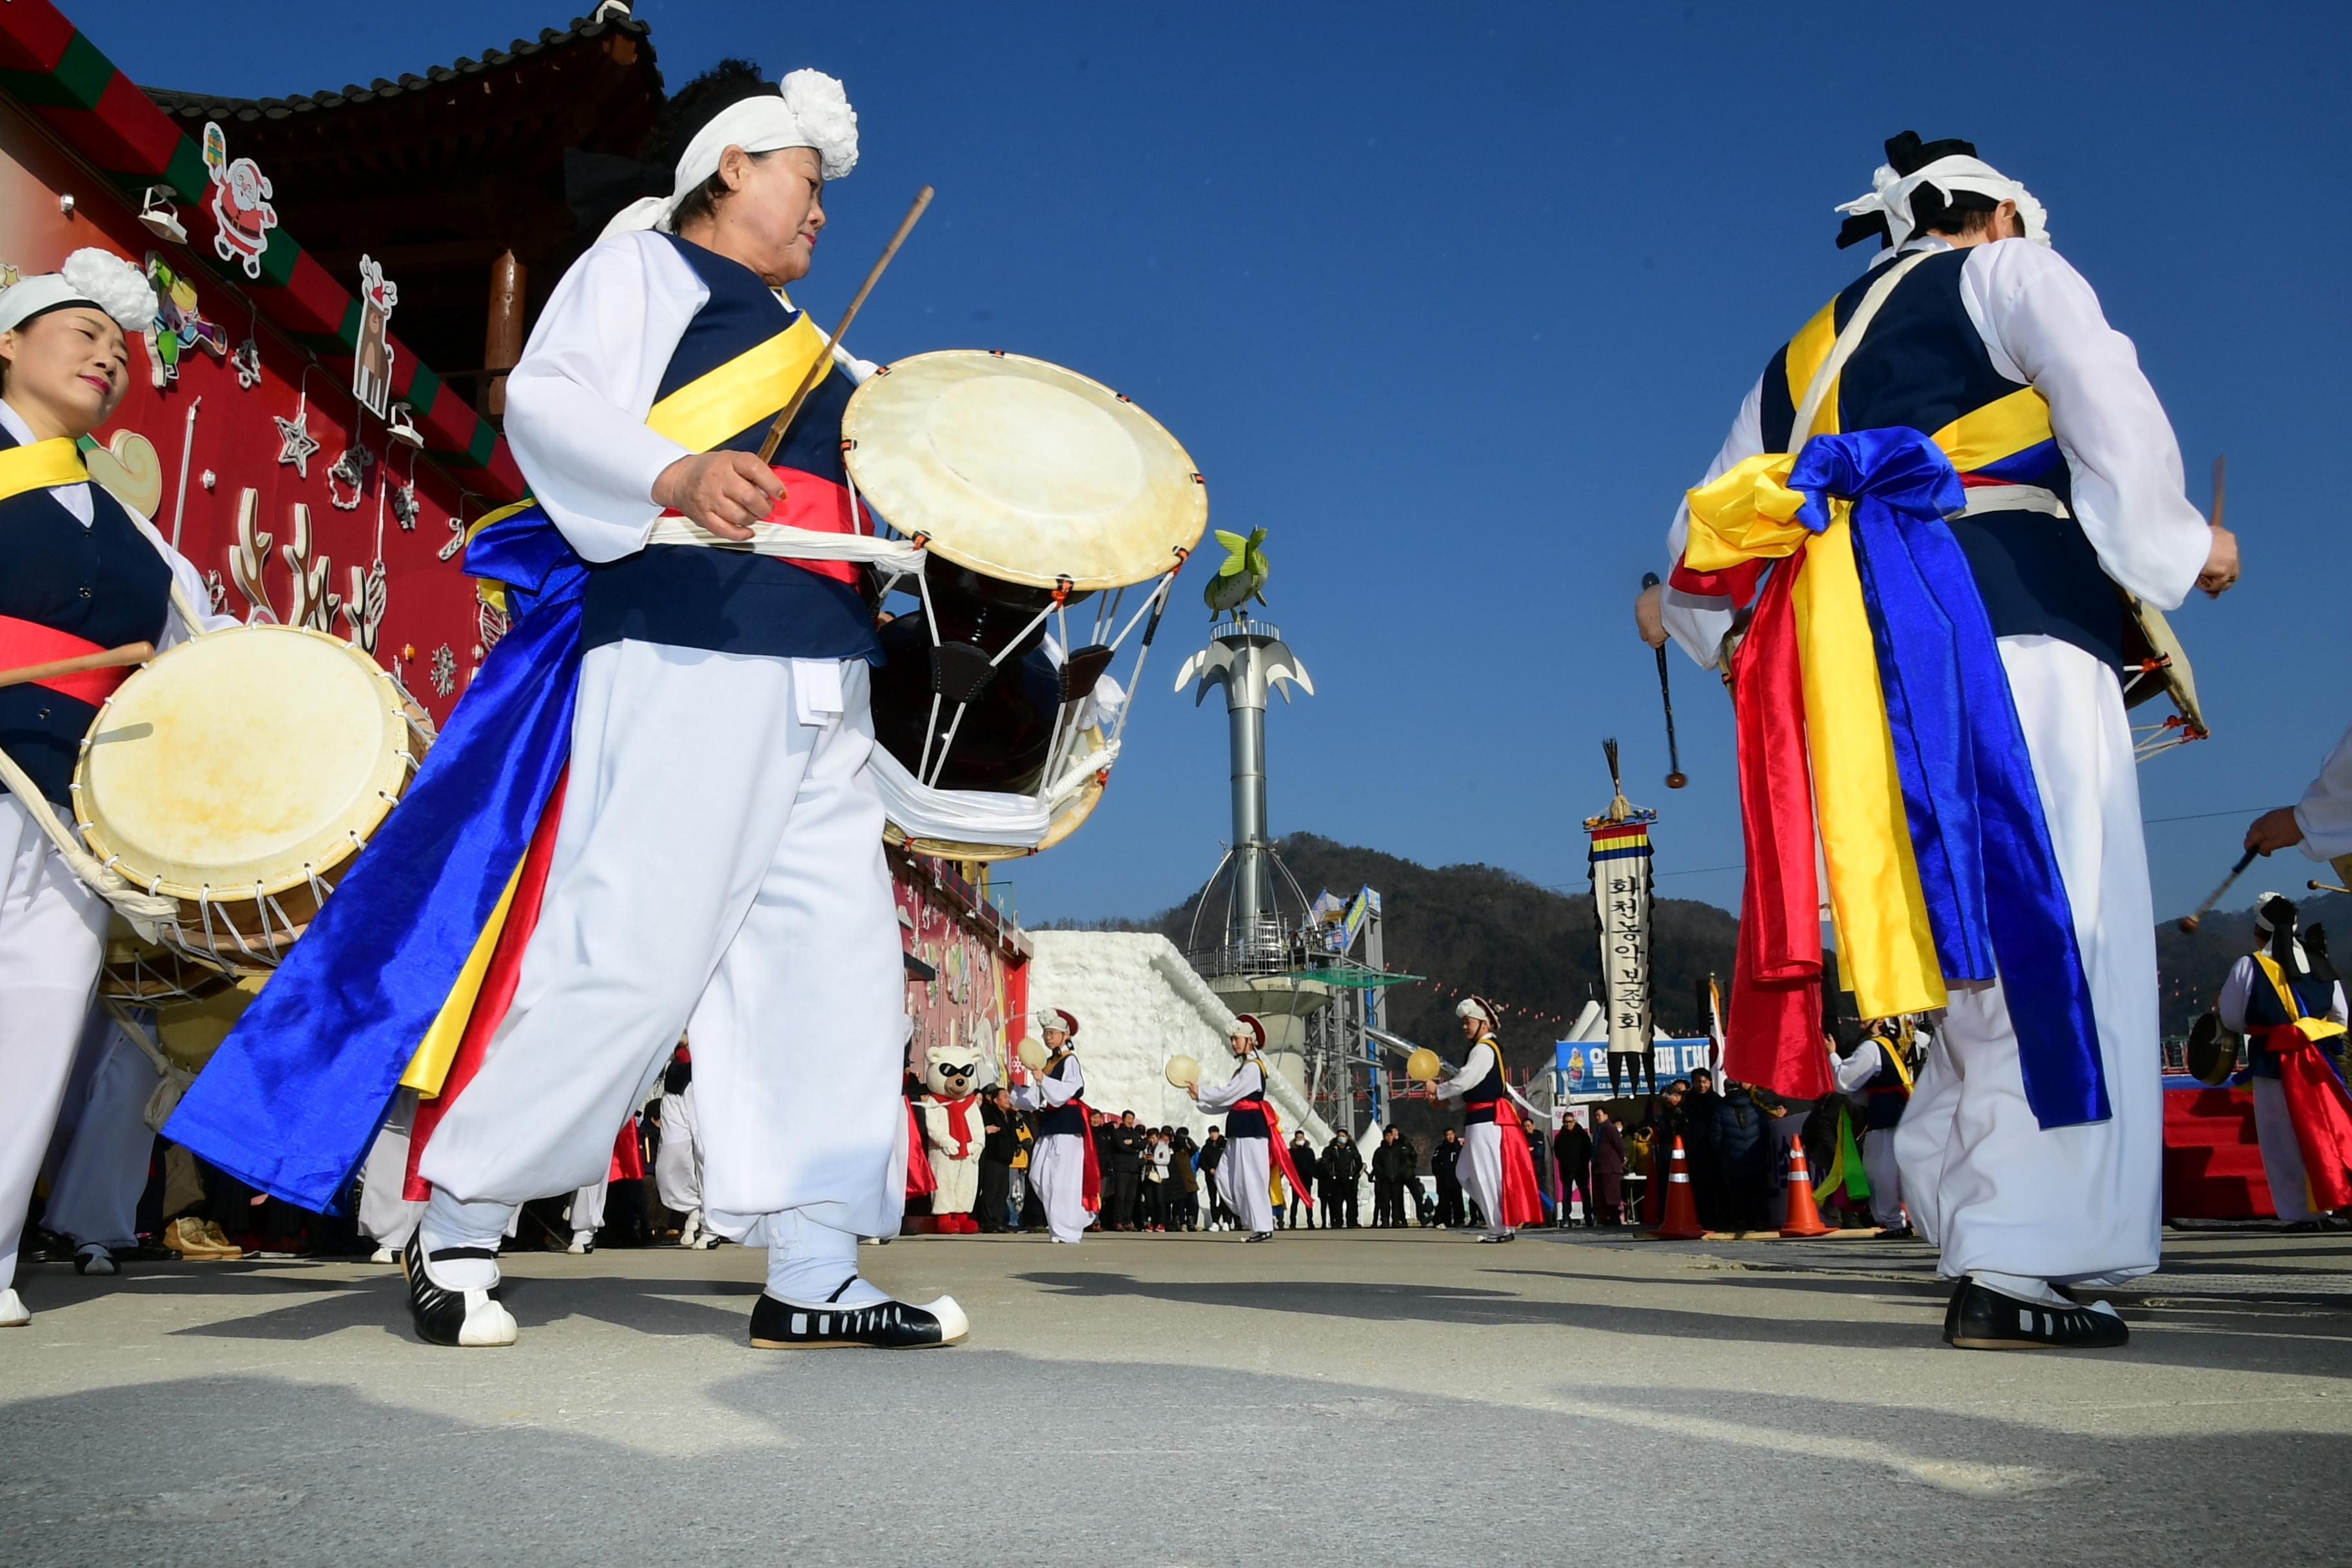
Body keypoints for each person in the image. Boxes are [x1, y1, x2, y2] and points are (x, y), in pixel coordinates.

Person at [1642, 132, 2235, 1349]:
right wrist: (2182, 548)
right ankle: (2024, 1252)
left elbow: (1694, 553)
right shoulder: (2012, 277)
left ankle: (1985, 1221)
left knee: (1958, 946)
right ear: (2000, 215)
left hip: (1860, 672)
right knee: (2057, 923)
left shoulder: (1798, 359)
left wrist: (1700, 626)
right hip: (1999, 620)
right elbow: (2107, 409)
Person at [0, 248, 233, 1328]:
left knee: (41, 1019)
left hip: (70, 813)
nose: (108, 355)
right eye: (81, 333)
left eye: (118, 345)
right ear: (7, 343)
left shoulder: (139, 536)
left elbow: (206, 653)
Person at [2215, 895, 2351, 1228]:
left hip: (2273, 1062)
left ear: (2258, 932)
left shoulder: (2249, 965)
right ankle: (2335, 1202)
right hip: (2321, 1065)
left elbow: (2232, 1019)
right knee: (2330, 1131)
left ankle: (2301, 1213)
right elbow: (2341, 1016)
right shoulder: (2319, 960)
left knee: (2281, 1141)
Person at [1425, 997, 1554, 1242]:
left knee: (1484, 1175)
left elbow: (1465, 1081)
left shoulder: (1483, 1050)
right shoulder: (1485, 1049)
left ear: (1483, 1024)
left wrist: (1439, 1089)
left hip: (1486, 1122)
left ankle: (1499, 1227)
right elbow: (1474, 1090)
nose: (1465, 1027)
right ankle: (1501, 1223)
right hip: (1480, 1119)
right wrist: (1446, 1101)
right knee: (1466, 1173)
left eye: (1468, 1022)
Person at [1188, 1015, 1312, 1241]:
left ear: (1250, 1041)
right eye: (1233, 1039)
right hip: (1239, 1127)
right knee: (1225, 1176)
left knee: (1253, 1177)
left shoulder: (1253, 1068)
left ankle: (1262, 1224)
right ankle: (1251, 1218)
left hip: (1251, 1128)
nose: (1234, 1043)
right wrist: (1201, 1099)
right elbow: (1230, 1101)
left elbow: (1229, 1094)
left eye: (1237, 1038)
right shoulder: (1245, 1068)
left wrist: (1203, 1093)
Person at [1010, 1008, 1097, 1244]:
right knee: (1039, 1174)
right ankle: (1062, 1222)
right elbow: (1036, 1099)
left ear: (1065, 1035)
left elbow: (1069, 1090)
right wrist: (1014, 1090)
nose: (1048, 1037)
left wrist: (1043, 1080)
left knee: (1063, 1177)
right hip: (1050, 1123)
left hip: (1067, 1122)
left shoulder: (1070, 1061)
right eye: (1045, 1033)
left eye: (1052, 1033)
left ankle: (1067, 1229)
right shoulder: (1047, 1063)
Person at [1830, 1027, 1916, 1235]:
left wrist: (1831, 1054)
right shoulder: (1905, 1043)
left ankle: (1895, 1222)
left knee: (1882, 1171)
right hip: (1909, 1112)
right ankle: (1912, 1219)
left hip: (1887, 1117)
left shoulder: (1872, 1047)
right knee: (1904, 1171)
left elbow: (1844, 1081)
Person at [976, 1087, 1017, 1234]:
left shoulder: (1010, 1116)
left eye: (1008, 1097)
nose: (1008, 1099)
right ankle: (988, 1222)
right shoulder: (989, 1113)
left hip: (1006, 1159)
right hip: (992, 1157)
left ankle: (998, 1222)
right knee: (991, 1192)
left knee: (1002, 1192)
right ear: (995, 1100)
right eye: (1004, 1097)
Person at [1552, 1110, 1594, 1228]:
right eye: (1565, 1122)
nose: (1568, 1124)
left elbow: (1588, 1151)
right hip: (1566, 1170)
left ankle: (1588, 1217)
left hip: (1581, 1169)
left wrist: (1583, 1163)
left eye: (1570, 1122)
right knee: (1566, 1196)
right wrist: (1565, 1163)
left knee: (1585, 1194)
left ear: (1574, 1122)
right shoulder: (1560, 1137)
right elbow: (1558, 1153)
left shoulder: (1582, 1135)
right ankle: (1566, 1218)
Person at [1106, 1110, 1146, 1232]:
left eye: (1132, 1119)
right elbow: (1120, 1146)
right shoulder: (1117, 1132)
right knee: (1120, 1196)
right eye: (1128, 1118)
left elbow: (1143, 1144)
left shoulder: (1135, 1133)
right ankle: (1118, 1221)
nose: (1130, 1121)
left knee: (1131, 1197)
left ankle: (1127, 1221)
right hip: (1121, 1169)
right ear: (1123, 1119)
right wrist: (1134, 1149)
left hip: (1134, 1169)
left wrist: (1133, 1143)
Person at [1318, 1130, 1363, 1229]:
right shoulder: (1331, 1149)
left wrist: (1354, 1173)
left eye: (1343, 1136)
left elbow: (1359, 1162)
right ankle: (1338, 1221)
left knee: (1352, 1202)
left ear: (1347, 1137)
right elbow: (1325, 1162)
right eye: (1340, 1136)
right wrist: (1331, 1173)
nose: (1341, 1138)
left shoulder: (1352, 1149)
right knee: (1337, 1203)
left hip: (1349, 1180)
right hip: (1336, 1180)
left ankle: (1352, 1222)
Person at [1591, 1108, 1627, 1227]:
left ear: (1606, 1115)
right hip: (1601, 1168)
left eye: (1599, 1115)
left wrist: (1622, 1159)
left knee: (1611, 1194)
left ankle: (1615, 1217)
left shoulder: (1610, 1129)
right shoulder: (1599, 1130)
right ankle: (1609, 1216)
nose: (1597, 1118)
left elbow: (1620, 1146)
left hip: (1610, 1168)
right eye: (1596, 1116)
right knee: (1604, 1195)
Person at [1369, 1127, 1411, 1228]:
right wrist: (1382, 1173)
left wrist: (1400, 1173)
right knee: (1385, 1201)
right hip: (1384, 1180)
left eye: (1390, 1136)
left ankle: (1396, 1220)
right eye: (1387, 1136)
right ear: (1384, 1138)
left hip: (1397, 1180)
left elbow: (1404, 1163)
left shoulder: (1398, 1150)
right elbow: (1376, 1164)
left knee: (1396, 1201)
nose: (1389, 1138)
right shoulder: (1380, 1151)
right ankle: (1385, 1220)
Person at [1199, 1126, 1231, 1230]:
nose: (1213, 1135)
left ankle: (1227, 1221)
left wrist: (1222, 1169)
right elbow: (1202, 1162)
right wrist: (1209, 1169)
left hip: (1224, 1176)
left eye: (1215, 1133)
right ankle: (1215, 1222)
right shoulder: (1206, 1147)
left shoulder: (1225, 1145)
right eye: (1211, 1133)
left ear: (1218, 1133)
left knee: (1224, 1198)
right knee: (1213, 1199)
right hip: (1211, 1177)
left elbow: (1230, 1158)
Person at [1431, 1130, 1465, 1228]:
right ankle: (1444, 1220)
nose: (1450, 1137)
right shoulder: (1441, 1149)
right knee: (1444, 1201)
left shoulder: (1460, 1149)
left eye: (1451, 1135)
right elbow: (1434, 1162)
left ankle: (1459, 1221)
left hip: (1456, 1179)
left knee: (1457, 1201)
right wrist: (1439, 1173)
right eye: (1447, 1135)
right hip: (1444, 1180)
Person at [1286, 1131, 1319, 1230]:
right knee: (1295, 1202)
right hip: (1296, 1180)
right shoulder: (1291, 1151)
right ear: (1295, 1139)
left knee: (1308, 1201)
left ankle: (1310, 1222)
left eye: (1301, 1137)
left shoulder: (1309, 1151)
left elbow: (1313, 1164)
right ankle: (1293, 1223)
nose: (1300, 1139)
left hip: (1307, 1179)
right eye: (1298, 1138)